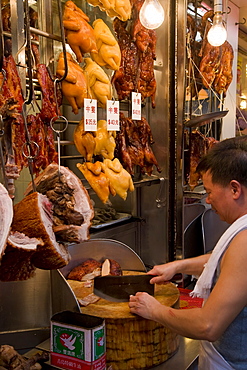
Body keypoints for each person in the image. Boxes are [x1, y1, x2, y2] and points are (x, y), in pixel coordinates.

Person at [129, 135, 247, 369]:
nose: (208, 199)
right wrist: (178, 266)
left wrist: (155, 310)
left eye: (210, 190)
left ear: (234, 189)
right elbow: (225, 262)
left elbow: (208, 326)